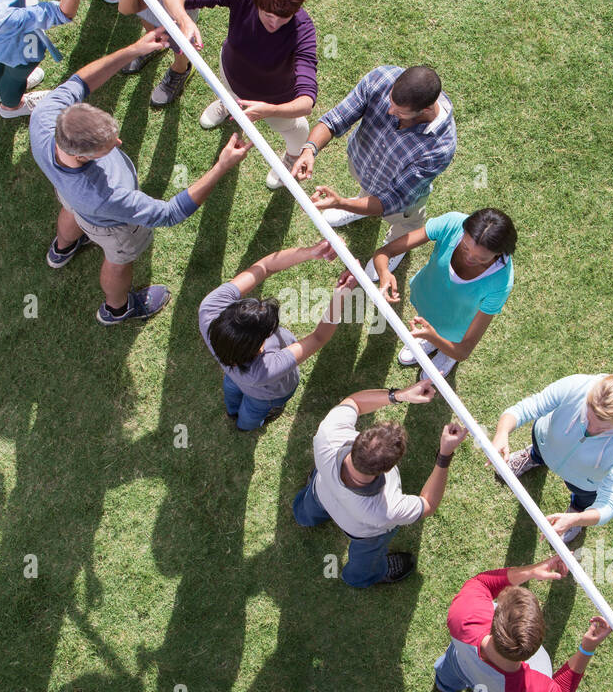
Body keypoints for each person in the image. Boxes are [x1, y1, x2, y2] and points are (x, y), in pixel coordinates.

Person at [28, 29, 253, 324]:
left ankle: (63, 248)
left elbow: (81, 81)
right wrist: (221, 166)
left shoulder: (45, 116)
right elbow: (170, 213)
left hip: (69, 196)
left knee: (71, 209)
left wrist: (134, 49)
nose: (119, 145)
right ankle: (117, 308)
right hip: (110, 226)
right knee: (118, 259)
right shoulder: (107, 195)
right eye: (108, 148)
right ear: (83, 156)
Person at [292, 381, 467, 586]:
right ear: (386, 469)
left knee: (308, 506)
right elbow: (428, 504)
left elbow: (353, 402)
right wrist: (445, 455)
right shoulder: (387, 509)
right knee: (367, 559)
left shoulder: (328, 437)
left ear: (359, 439)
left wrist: (400, 395)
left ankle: (304, 516)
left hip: (321, 491)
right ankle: (361, 577)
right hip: (362, 533)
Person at [161, 0, 317, 190]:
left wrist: (268, 110)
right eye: (268, 15)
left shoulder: (303, 30)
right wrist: (185, 21)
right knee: (229, 94)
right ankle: (229, 105)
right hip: (231, 73)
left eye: (284, 18)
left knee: (292, 128)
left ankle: (291, 158)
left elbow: (306, 103)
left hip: (276, 99)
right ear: (257, 1)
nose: (275, 24)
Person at [291, 65, 456, 262]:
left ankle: (394, 248)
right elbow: (337, 118)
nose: (389, 110)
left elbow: (394, 199)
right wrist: (310, 148)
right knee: (367, 190)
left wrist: (341, 203)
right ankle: (359, 207)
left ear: (426, 110)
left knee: (406, 221)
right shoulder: (381, 78)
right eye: (391, 101)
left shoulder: (440, 147)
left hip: (403, 201)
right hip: (365, 167)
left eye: (400, 112)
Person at [434, 557, 612, 692]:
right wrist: (586, 648)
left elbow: (482, 583)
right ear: (533, 648)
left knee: (450, 669)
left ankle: (444, 684)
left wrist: (531, 571)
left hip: (460, 662)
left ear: (495, 617)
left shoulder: (463, 617)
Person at [340, 208, 515, 377]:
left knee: (451, 349)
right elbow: (385, 252)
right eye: (465, 246)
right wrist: (385, 274)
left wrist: (434, 337)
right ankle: (431, 339)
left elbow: (464, 351)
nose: (469, 258)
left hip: (455, 328)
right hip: (427, 298)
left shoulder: (501, 282)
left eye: (481, 258)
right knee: (430, 327)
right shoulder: (452, 223)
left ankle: (446, 354)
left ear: (500, 253)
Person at [199, 241, 347, 431]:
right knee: (253, 412)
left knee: (231, 389)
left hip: (232, 377)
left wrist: (311, 252)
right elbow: (319, 337)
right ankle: (246, 426)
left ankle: (232, 411)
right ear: (259, 347)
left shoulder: (209, 310)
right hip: (266, 395)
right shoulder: (266, 369)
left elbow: (264, 267)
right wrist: (340, 296)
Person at [489, 373, 613, 544]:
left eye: (602, 428)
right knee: (538, 452)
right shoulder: (577, 385)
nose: (591, 429)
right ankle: (533, 456)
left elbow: (610, 501)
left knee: (584, 500)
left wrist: (578, 519)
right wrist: (502, 432)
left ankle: (577, 510)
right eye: (588, 417)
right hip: (545, 442)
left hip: (585, 482)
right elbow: (527, 408)